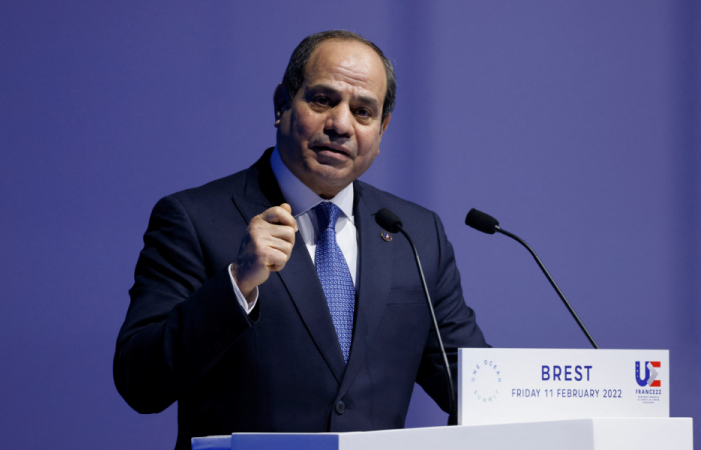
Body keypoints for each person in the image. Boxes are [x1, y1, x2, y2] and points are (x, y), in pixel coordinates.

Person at [114, 30, 488, 450]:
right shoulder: (194, 218)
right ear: (281, 104)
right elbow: (139, 382)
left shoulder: (416, 233)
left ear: (381, 130)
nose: (341, 124)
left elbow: (477, 390)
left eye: (364, 112)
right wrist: (236, 284)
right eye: (323, 100)